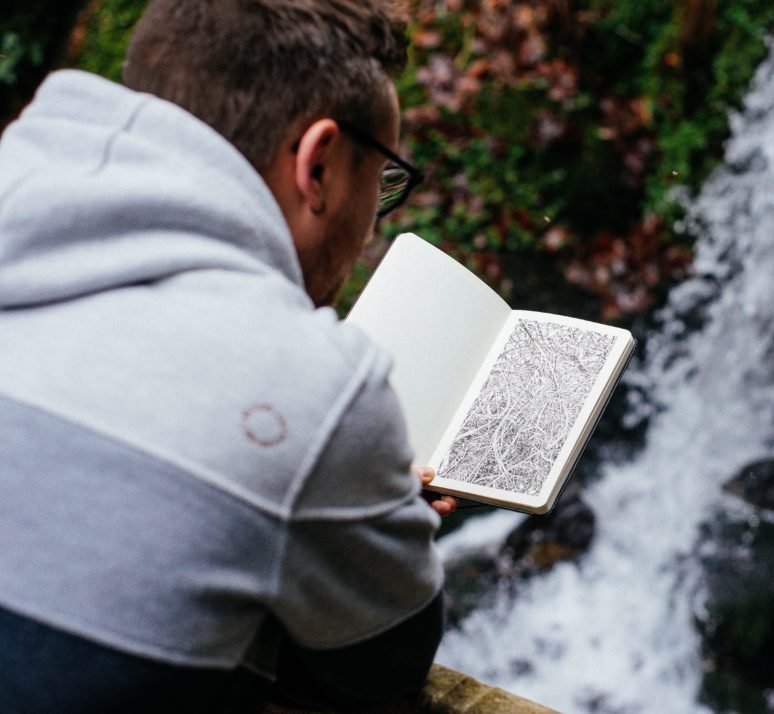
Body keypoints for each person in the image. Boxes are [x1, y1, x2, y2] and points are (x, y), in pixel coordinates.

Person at [0, 0, 458, 710]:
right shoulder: (314, 385)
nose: (373, 222)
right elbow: (376, 678)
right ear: (320, 164)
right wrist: (355, 501)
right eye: (386, 181)